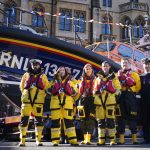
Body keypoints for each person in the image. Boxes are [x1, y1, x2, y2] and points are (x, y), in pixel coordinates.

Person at [19, 59, 49, 146]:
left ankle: (38, 140)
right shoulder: (26, 75)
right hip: (26, 101)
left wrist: (41, 95)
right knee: (24, 121)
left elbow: (46, 87)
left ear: (39, 65)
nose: (35, 66)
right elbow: (22, 86)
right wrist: (25, 94)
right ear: (31, 65)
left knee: (38, 121)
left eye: (36, 64)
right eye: (33, 64)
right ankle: (22, 140)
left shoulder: (43, 76)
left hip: (38, 102)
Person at [48, 66, 78, 146]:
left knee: (69, 123)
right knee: (55, 123)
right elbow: (48, 90)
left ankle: (73, 140)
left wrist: (69, 89)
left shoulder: (70, 81)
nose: (62, 71)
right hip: (56, 105)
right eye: (60, 70)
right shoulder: (53, 81)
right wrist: (56, 89)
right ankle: (55, 141)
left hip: (67, 105)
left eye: (63, 70)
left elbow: (75, 91)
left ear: (65, 71)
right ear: (57, 71)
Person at [93, 61, 121, 145]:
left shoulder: (114, 77)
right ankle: (101, 139)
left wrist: (113, 93)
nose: (105, 67)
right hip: (99, 103)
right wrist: (97, 92)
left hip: (110, 102)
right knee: (100, 121)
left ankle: (112, 140)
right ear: (101, 67)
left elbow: (118, 89)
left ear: (109, 67)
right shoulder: (97, 79)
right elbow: (94, 90)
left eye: (106, 66)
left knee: (110, 121)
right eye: (103, 66)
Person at [117, 57, 141, 144]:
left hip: (131, 96)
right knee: (120, 117)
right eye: (123, 63)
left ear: (129, 64)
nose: (124, 64)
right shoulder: (118, 74)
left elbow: (138, 87)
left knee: (132, 117)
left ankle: (134, 138)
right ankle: (121, 139)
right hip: (121, 97)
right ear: (121, 64)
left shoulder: (135, 74)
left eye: (126, 62)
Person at [77, 63, 96, 145]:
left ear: (92, 70)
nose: (88, 70)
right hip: (83, 100)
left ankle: (88, 139)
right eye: (86, 68)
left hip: (92, 101)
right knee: (83, 120)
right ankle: (85, 139)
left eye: (89, 68)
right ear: (84, 70)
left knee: (90, 120)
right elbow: (78, 91)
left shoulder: (96, 79)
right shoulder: (81, 79)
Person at [140, 58, 150, 144]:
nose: (147, 66)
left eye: (148, 64)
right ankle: (146, 139)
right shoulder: (141, 76)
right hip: (144, 102)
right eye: (145, 64)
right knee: (145, 121)